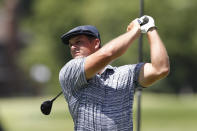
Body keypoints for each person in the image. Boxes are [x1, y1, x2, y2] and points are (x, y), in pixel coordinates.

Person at [59, 15, 170, 131]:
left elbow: (160, 69)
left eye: (78, 42)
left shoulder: (124, 74)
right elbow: (108, 54)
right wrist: (133, 32)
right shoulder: (70, 70)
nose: (73, 47)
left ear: (96, 43)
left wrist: (150, 29)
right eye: (70, 45)